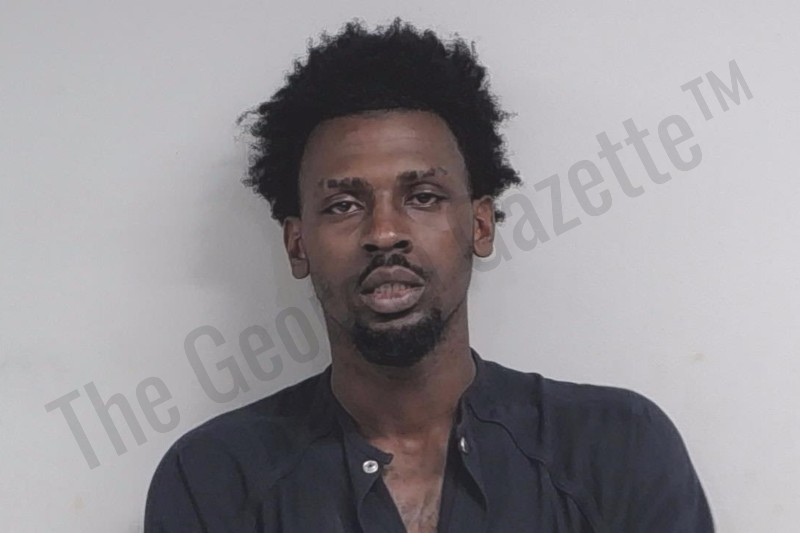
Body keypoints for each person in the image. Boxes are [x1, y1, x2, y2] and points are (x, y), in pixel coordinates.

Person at [144, 18, 714, 533]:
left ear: (480, 225)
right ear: (298, 245)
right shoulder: (215, 480)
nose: (384, 231)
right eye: (343, 204)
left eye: (422, 196)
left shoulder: (617, 449)